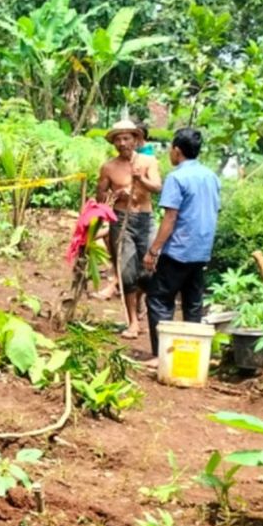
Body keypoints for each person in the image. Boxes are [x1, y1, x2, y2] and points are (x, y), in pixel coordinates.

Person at [142, 128, 221, 364]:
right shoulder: (211, 177)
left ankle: (161, 356)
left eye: (170, 149)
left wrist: (153, 250)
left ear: (177, 150)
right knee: (192, 303)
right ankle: (191, 355)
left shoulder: (176, 178)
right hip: (201, 250)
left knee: (158, 299)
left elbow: (170, 218)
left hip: (178, 250)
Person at [95, 119, 162, 340]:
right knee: (126, 272)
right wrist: (115, 195)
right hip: (121, 220)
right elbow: (101, 197)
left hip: (145, 218)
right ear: (114, 143)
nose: (122, 143)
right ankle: (133, 321)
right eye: (118, 139)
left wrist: (140, 179)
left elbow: (157, 187)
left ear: (135, 139)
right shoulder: (109, 167)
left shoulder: (148, 161)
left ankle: (141, 301)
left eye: (126, 138)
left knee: (149, 269)